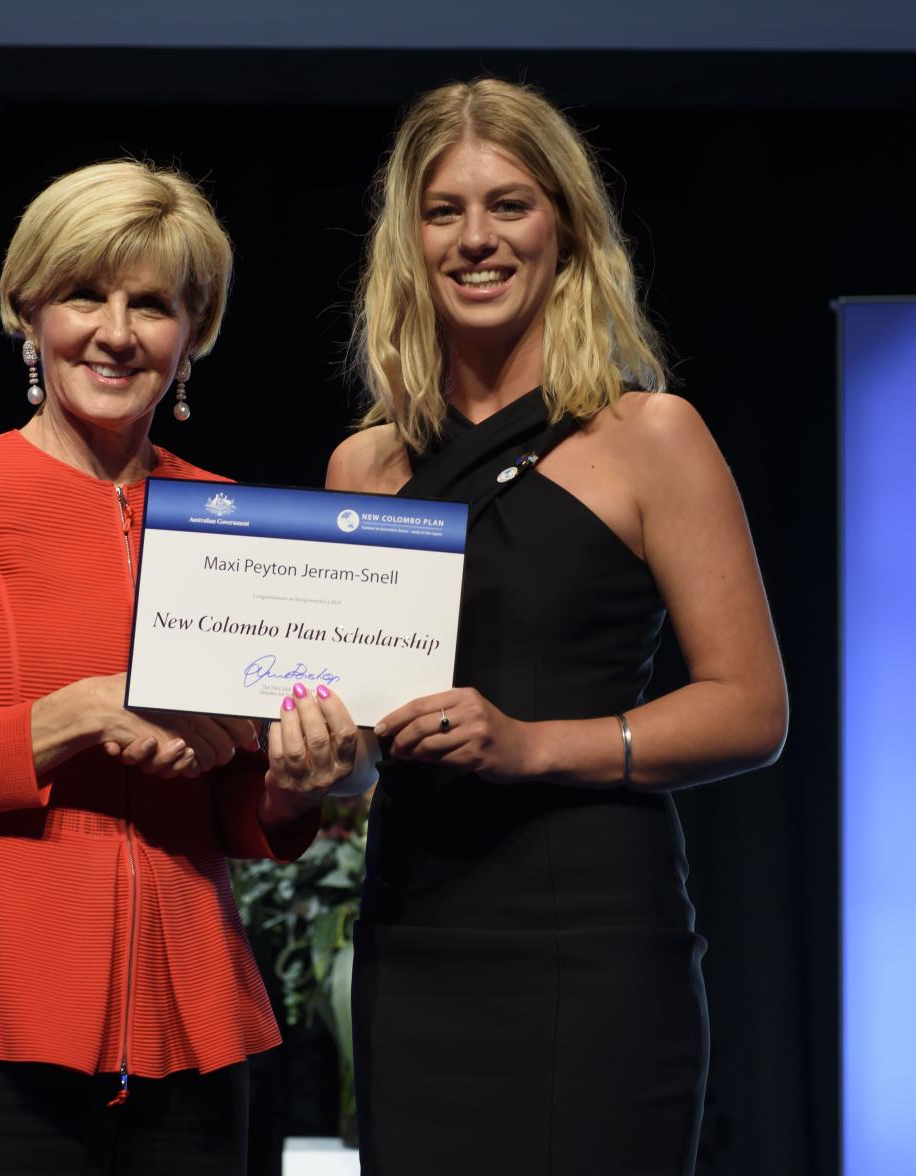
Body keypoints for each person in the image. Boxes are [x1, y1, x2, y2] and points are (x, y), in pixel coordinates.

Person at [0, 159, 356, 1176]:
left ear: (192, 331)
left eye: (153, 304)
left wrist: (297, 792)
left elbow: (234, 811)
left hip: (195, 1032)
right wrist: (80, 711)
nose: (117, 332)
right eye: (85, 294)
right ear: (28, 308)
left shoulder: (231, 513)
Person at [327, 79, 788, 1175]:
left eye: (510, 205)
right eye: (444, 211)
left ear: (566, 229)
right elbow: (352, 736)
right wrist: (320, 761)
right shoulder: (365, 466)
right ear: (410, 240)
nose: (476, 239)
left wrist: (532, 744)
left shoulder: (652, 436)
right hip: (415, 936)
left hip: (594, 943)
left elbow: (752, 709)